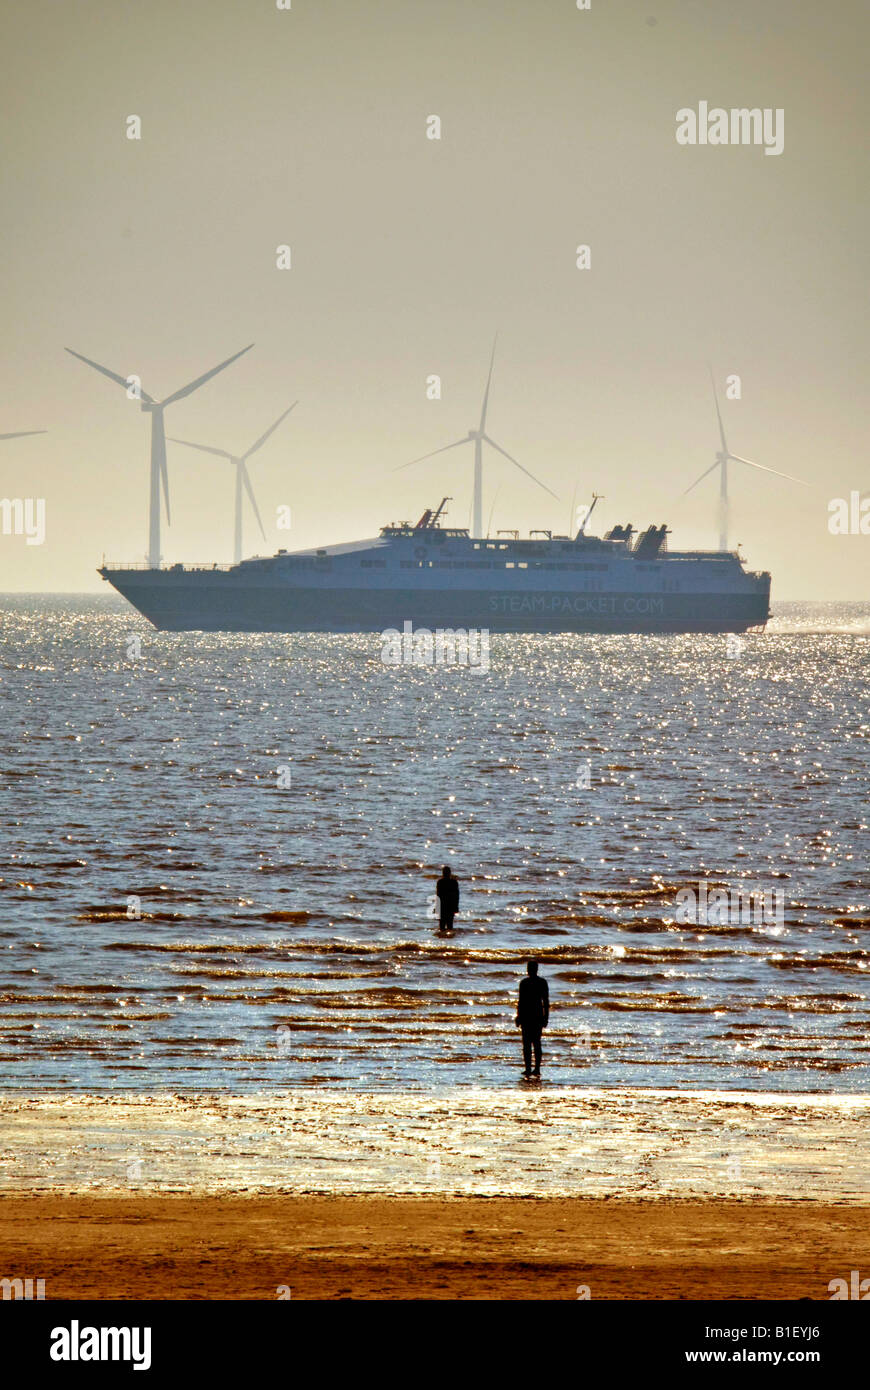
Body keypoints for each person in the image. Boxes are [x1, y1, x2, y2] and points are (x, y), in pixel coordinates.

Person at [515, 960, 549, 1079]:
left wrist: (546, 1017)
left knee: (532, 1043)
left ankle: (534, 1068)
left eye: (530, 968)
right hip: (532, 1016)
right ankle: (531, 1068)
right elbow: (521, 1001)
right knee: (532, 1043)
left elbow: (545, 1001)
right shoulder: (537, 982)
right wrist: (519, 1016)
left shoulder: (526, 983)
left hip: (532, 1016)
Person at [435, 865, 459, 931]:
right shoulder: (454, 882)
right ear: (450, 873)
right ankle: (449, 939)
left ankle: (443, 938)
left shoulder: (440, 882)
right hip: (450, 907)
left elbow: (438, 895)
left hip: (442, 907)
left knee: (442, 927)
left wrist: (436, 908)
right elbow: (456, 896)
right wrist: (456, 907)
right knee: (450, 926)